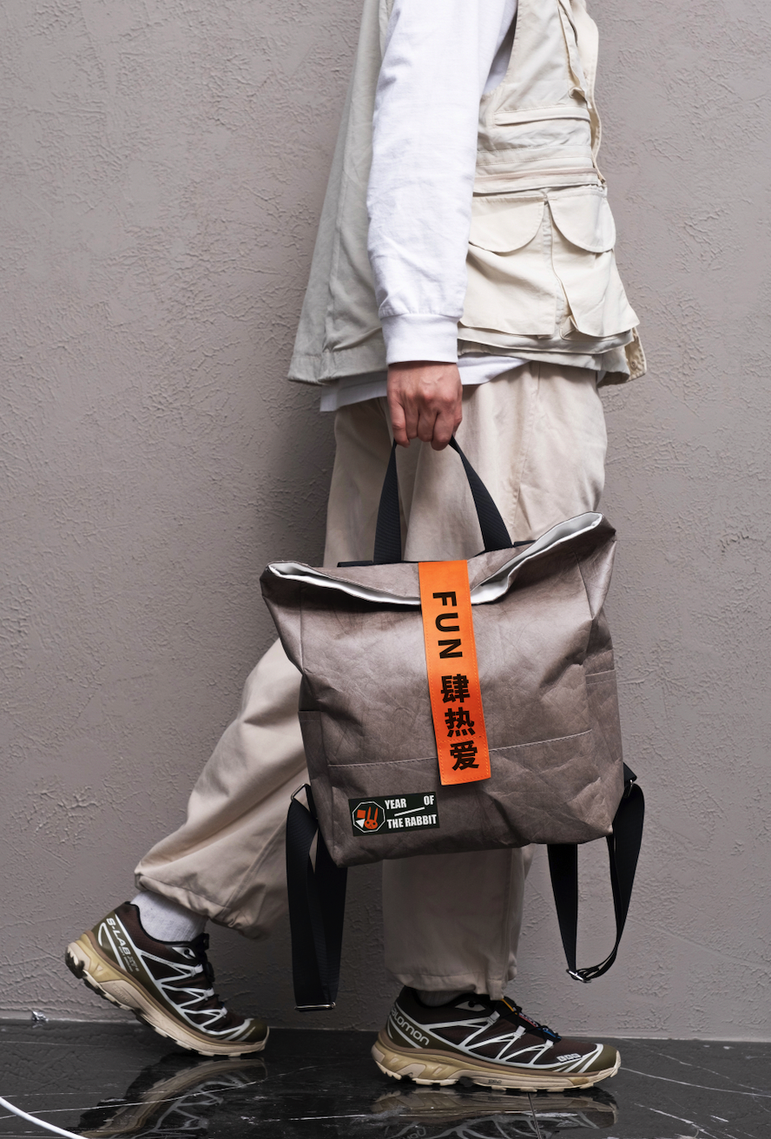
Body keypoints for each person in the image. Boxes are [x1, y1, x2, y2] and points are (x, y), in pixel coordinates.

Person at [66, 0, 644, 1089]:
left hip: (474, 345)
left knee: (397, 664)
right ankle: (437, 996)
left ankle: (183, 927)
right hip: (481, 358)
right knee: (474, 666)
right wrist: (420, 336)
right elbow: (420, 119)